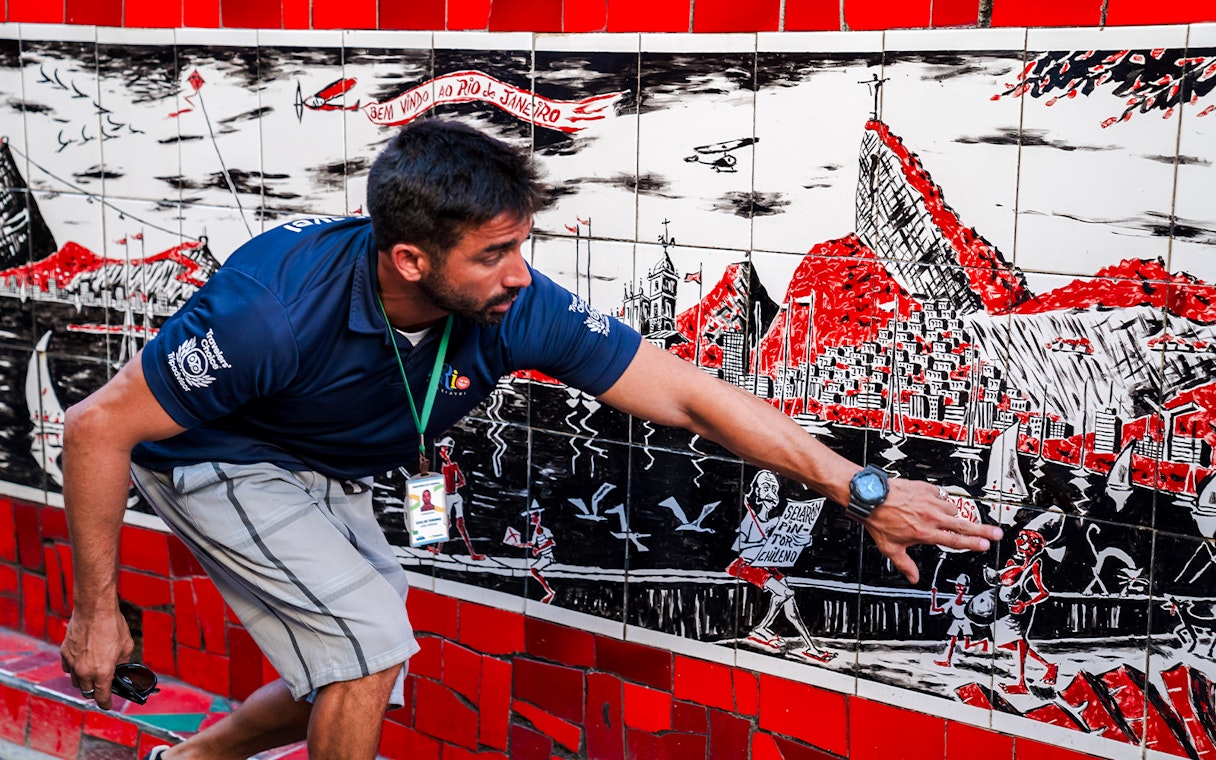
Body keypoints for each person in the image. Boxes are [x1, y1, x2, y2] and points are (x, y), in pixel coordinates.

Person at [58, 119, 1001, 760]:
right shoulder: (273, 311)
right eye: (494, 255)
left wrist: (860, 488)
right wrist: (96, 613)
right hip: (220, 458)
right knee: (366, 645)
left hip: (326, 468)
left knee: (352, 670)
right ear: (411, 260)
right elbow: (96, 428)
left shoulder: (517, 305)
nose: (521, 274)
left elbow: (692, 395)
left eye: (522, 244)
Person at [727, 470, 835, 663]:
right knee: (785, 593)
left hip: (766, 566)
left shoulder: (772, 522)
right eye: (766, 487)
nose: (771, 492)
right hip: (747, 566)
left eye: (774, 488)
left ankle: (811, 648)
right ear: (757, 492)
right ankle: (760, 628)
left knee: (791, 610)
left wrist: (803, 540)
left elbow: (785, 540)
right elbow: (738, 548)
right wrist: (762, 546)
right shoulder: (750, 520)